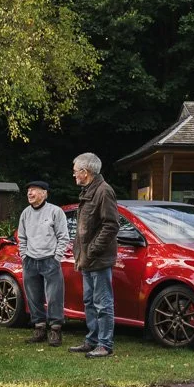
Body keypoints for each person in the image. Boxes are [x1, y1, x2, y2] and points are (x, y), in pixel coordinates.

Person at [69, 153, 119, 359]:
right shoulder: (89, 190)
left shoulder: (104, 191)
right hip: (87, 259)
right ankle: (92, 340)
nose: (74, 175)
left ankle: (104, 345)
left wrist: (92, 250)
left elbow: (111, 225)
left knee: (102, 303)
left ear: (85, 172)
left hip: (98, 259)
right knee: (89, 301)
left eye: (75, 171)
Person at [17, 180, 70, 347]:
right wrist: (24, 256)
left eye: (33, 190)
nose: (29, 193)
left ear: (44, 193)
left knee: (54, 297)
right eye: (28, 191)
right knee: (33, 297)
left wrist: (56, 257)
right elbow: (22, 237)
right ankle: (39, 328)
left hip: (50, 260)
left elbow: (63, 237)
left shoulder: (55, 211)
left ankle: (55, 330)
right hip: (30, 261)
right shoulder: (25, 213)